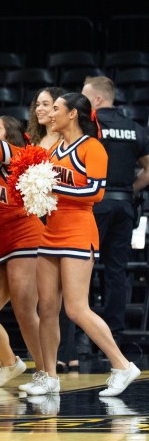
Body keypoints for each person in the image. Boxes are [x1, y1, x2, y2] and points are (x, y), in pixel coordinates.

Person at [29, 92, 140, 397]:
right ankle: (48, 375)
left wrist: (55, 187)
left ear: (72, 114)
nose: (51, 114)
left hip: (78, 233)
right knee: (47, 307)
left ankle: (121, 364)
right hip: (51, 233)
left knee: (76, 308)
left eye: (56, 110)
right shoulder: (54, 148)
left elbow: (95, 191)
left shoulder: (93, 148)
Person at [0, 116, 45, 388]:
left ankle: (46, 373)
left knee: (25, 309)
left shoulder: (18, 158)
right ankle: (10, 362)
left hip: (26, 240)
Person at [83, 76, 149, 338]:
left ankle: (83, 335)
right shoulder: (134, 128)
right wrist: (129, 190)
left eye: (85, 97)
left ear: (97, 99)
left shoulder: (89, 127)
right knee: (115, 270)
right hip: (123, 207)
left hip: (94, 205)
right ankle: (114, 335)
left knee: (82, 267)